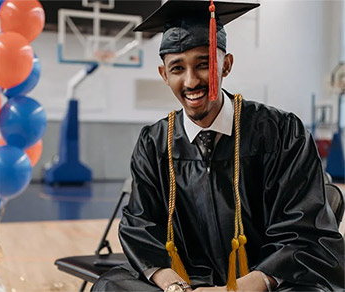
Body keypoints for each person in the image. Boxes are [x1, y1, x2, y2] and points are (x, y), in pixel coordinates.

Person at [92, 0, 345, 291]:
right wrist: (172, 283)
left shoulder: (281, 132)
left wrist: (236, 289)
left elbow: (304, 232)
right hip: (185, 279)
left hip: (264, 282)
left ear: (226, 65)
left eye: (203, 64)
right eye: (177, 68)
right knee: (111, 286)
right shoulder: (154, 143)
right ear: (164, 75)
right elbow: (140, 223)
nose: (191, 81)